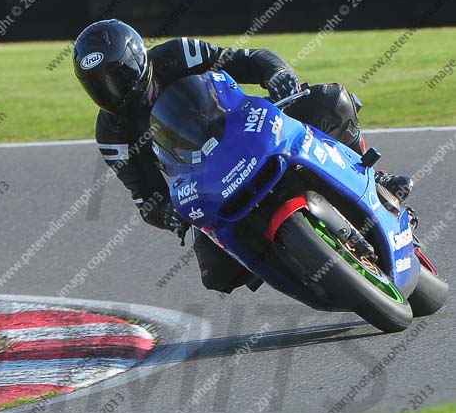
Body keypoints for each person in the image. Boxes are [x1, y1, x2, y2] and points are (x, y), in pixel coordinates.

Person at [73, 19, 412, 294]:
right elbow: (146, 197)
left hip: (248, 132)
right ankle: (298, 260)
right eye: (98, 85)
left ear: (136, 61)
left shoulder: (179, 55)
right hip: (205, 183)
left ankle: (377, 180)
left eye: (116, 77)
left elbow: (250, 60)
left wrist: (276, 76)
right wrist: (168, 216)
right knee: (217, 275)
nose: (111, 90)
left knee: (329, 102)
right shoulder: (112, 134)